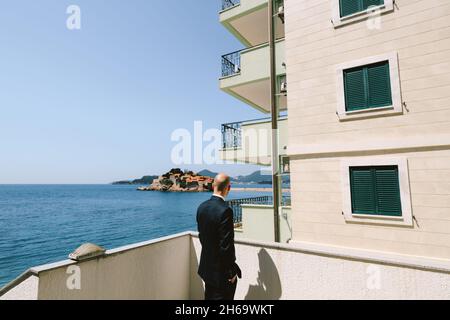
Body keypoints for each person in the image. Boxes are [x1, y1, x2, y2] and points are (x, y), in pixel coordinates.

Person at [196, 173, 242, 300]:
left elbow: (202, 237)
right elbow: (226, 246)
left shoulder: (202, 207)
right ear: (229, 188)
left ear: (212, 185)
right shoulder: (225, 211)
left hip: (206, 268)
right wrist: (231, 272)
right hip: (221, 274)